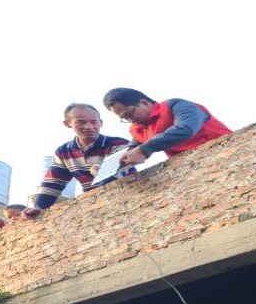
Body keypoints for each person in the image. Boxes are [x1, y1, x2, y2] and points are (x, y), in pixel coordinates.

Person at [22, 104, 133, 218]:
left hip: (129, 196)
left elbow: (120, 172)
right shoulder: (63, 152)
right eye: (81, 122)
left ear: (101, 123)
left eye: (93, 122)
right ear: (67, 123)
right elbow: (53, 183)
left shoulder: (118, 144)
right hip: (96, 205)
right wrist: (39, 207)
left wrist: (100, 171)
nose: (89, 126)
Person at [102, 88, 232, 167]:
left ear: (144, 103)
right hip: (192, 166)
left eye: (130, 114)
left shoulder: (176, 106)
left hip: (227, 152)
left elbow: (186, 128)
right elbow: (130, 152)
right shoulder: (138, 129)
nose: (130, 120)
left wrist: (144, 149)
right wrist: (104, 168)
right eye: (125, 118)